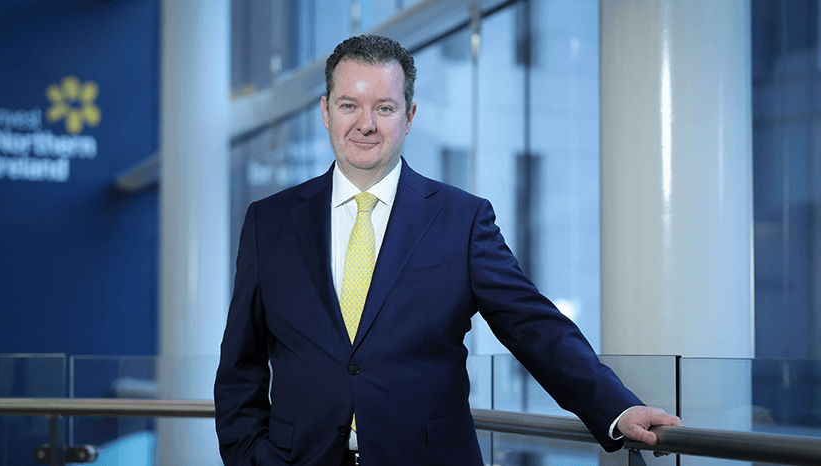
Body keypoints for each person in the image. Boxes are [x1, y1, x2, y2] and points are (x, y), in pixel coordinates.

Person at [214, 34, 681, 466]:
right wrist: (246, 455)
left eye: (384, 107)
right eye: (349, 105)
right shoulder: (268, 222)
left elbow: (532, 325)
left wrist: (617, 408)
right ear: (325, 111)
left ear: (409, 116)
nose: (366, 124)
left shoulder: (462, 219)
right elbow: (241, 362)